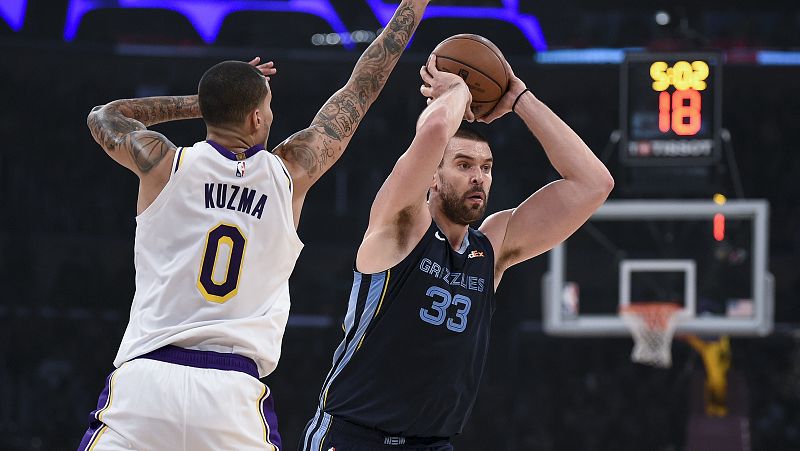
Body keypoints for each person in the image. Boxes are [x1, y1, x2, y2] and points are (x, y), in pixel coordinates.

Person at [78, 1, 432, 449]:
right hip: (231, 392)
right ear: (258, 118)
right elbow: (360, 88)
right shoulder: (289, 174)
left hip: (146, 381)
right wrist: (412, 9)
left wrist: (201, 103)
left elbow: (104, 116)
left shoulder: (163, 163)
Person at [300, 53, 614, 450]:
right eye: (464, 164)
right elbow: (433, 131)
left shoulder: (493, 247)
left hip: (432, 442)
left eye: (486, 167)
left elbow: (594, 183)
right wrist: (457, 91)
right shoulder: (400, 225)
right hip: (352, 435)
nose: (478, 177)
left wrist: (520, 98)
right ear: (433, 175)